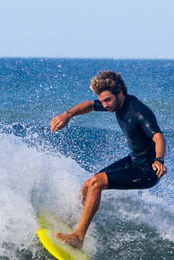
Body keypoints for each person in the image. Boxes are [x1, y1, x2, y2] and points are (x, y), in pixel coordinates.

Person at [49, 71, 166, 248]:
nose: (105, 105)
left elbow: (158, 137)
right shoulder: (115, 103)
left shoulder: (139, 112)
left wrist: (159, 160)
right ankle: (76, 219)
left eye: (107, 100)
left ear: (120, 93)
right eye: (103, 101)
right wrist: (67, 115)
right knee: (89, 184)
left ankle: (79, 237)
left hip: (148, 171)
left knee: (97, 183)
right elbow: (89, 105)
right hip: (133, 161)